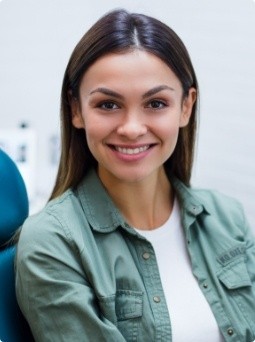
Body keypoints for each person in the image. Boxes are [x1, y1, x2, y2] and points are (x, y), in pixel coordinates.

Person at [15, 9, 255, 342]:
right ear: (76, 110)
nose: (131, 129)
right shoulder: (53, 243)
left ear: (186, 106)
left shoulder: (227, 217)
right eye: (108, 105)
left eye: (156, 103)